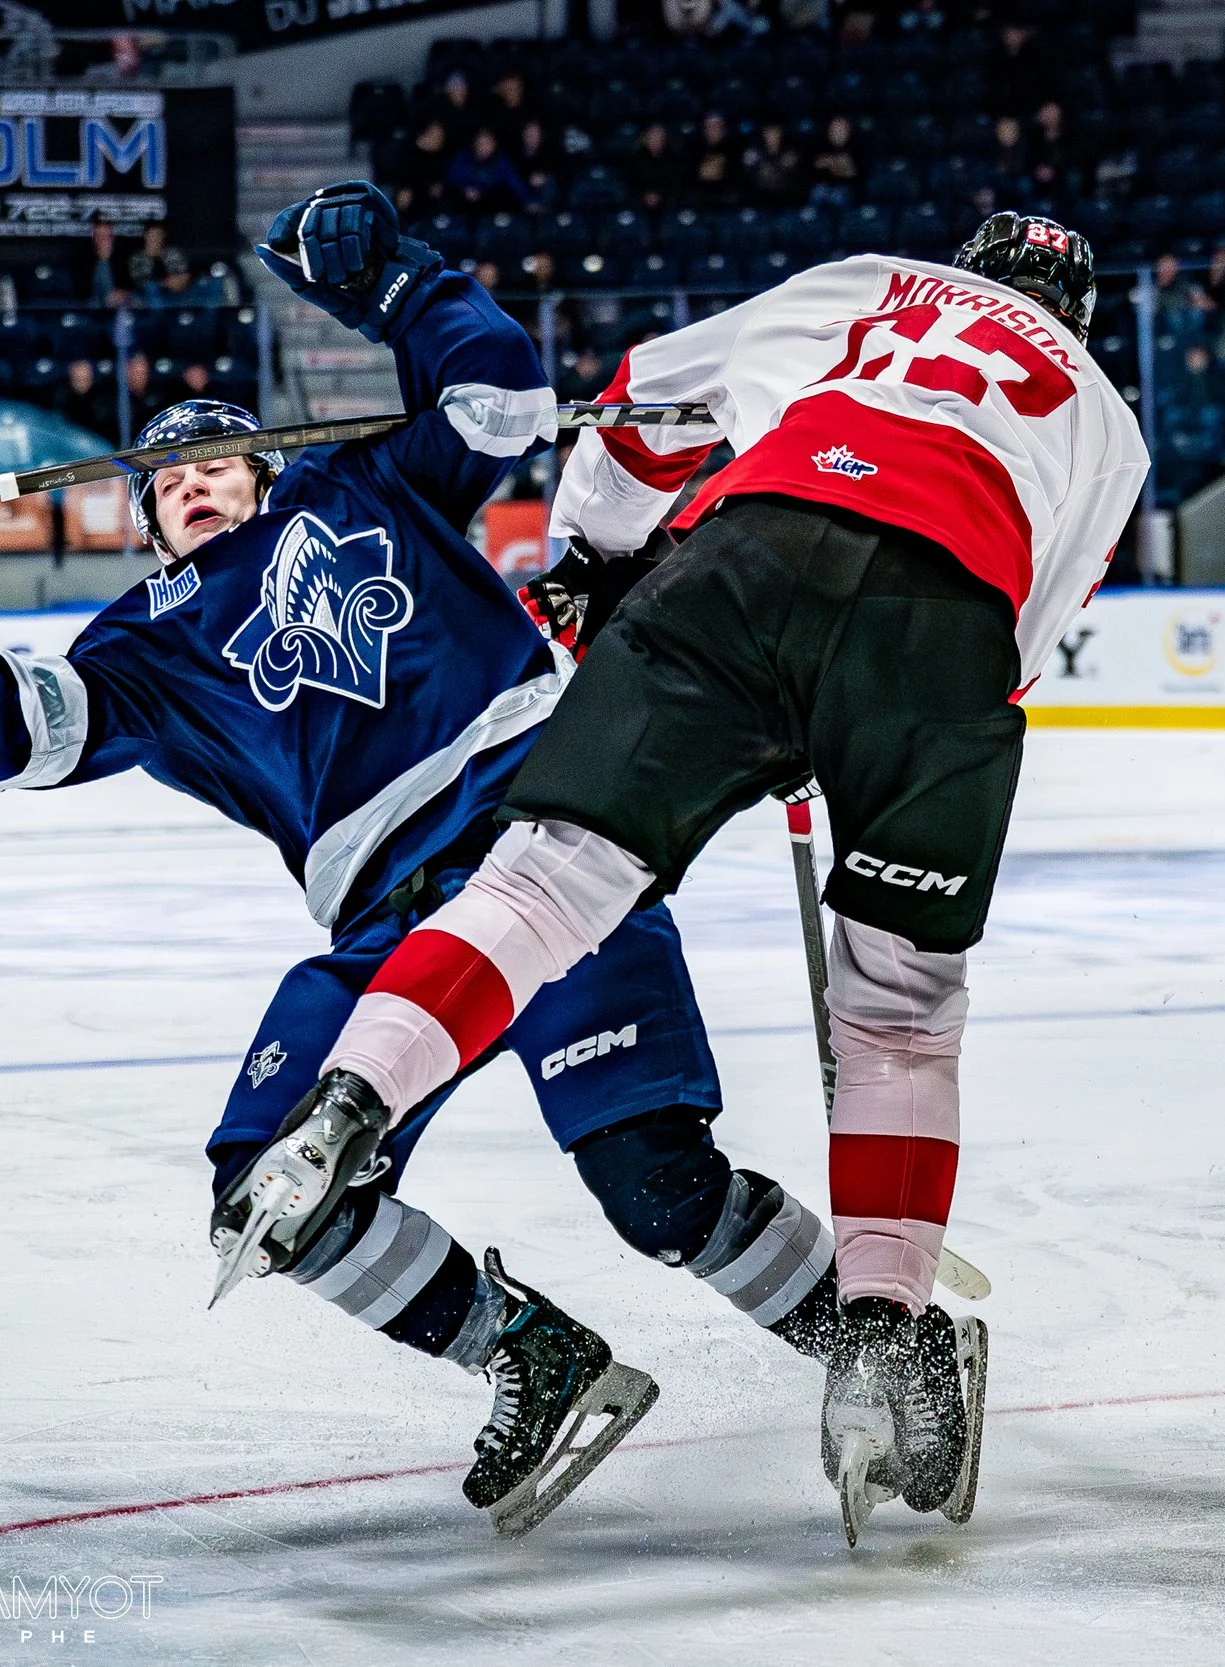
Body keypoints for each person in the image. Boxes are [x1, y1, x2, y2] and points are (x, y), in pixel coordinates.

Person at [0, 179, 845, 1537]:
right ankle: (534, 1356)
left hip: (549, 838)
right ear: (143, 515)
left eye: (216, 459)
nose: (189, 476)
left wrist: (399, 281)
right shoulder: (141, 648)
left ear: (266, 467)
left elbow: (497, 398)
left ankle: (883, 1344)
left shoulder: (371, 482)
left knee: (657, 1181)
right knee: (268, 1186)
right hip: (383, 920)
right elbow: (4, 733)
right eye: (164, 473)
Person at [268, 209, 1148, 1538]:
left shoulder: (862, 286)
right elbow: (1017, 631)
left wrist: (598, 553)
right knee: (898, 1006)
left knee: (540, 883)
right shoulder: (1106, 417)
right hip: (942, 625)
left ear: (960, 272)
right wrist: (843, 714)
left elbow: (644, 404)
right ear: (1077, 314)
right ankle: (883, 1339)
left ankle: (350, 1099)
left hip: (741, 558)